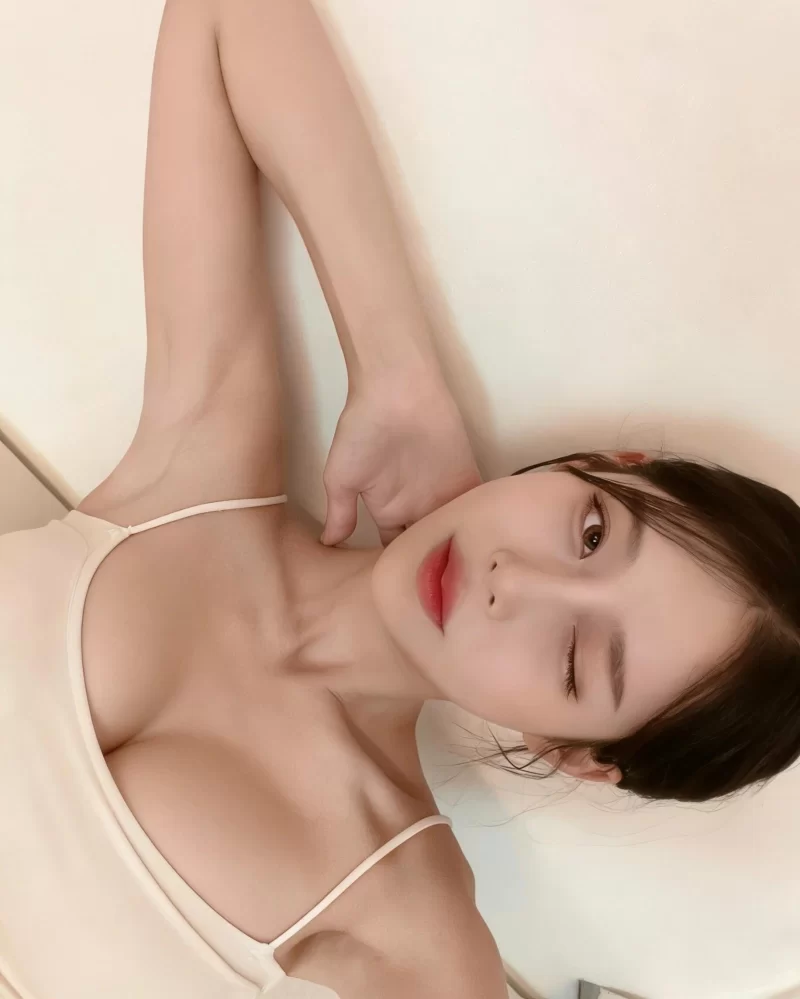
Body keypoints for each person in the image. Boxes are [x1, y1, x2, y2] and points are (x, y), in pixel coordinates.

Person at [2, 0, 799, 997]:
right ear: (606, 463)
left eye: (573, 659)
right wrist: (395, 366)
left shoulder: (408, 936)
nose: (514, 581)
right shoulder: (201, 464)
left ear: (572, 756)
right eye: (591, 532)